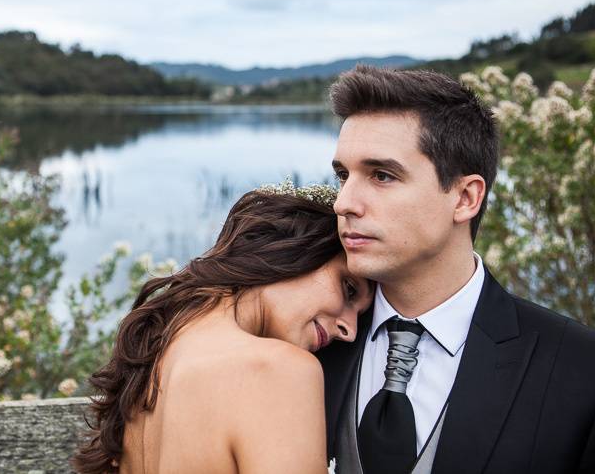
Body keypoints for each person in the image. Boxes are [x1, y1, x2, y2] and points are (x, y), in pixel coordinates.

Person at [319, 65, 595, 474]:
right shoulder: (310, 340)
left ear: (466, 197)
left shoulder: (580, 366)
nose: (344, 202)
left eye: (381, 175)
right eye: (343, 175)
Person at [73, 183, 374, 474]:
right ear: (293, 248)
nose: (349, 330)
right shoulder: (276, 370)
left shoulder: (156, 349)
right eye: (348, 289)